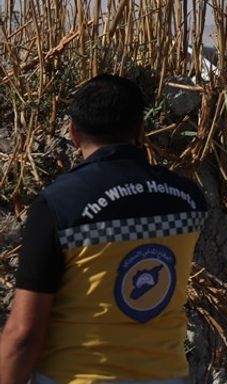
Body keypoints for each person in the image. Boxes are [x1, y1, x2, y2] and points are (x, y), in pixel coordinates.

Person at [0, 75, 208, 384]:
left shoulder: (59, 205)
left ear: (72, 132)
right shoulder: (188, 200)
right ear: (140, 130)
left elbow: (24, 334)